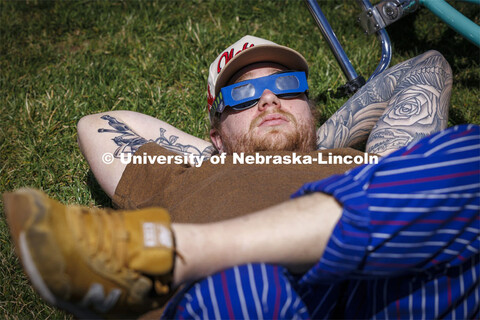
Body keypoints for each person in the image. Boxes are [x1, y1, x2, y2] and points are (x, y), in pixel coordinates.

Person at [4, 36, 476, 319]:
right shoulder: (194, 170)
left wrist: (314, 142)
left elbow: (427, 68)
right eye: (245, 95)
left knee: (468, 156)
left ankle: (168, 255)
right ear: (215, 132)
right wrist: (227, 151)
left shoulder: (367, 162)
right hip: (243, 298)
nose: (269, 100)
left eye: (287, 88)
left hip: (385, 290)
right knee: (251, 287)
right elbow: (99, 123)